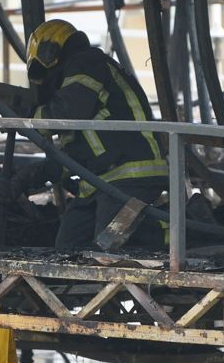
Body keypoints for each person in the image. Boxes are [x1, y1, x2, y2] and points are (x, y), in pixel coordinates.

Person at [9, 19, 168, 250]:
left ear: (51, 50)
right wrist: (28, 176)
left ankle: (182, 230)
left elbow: (66, 113)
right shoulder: (74, 92)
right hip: (99, 183)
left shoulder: (87, 62)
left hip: (130, 175)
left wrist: (28, 118)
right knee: (69, 246)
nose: (46, 78)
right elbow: (72, 156)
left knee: (107, 246)